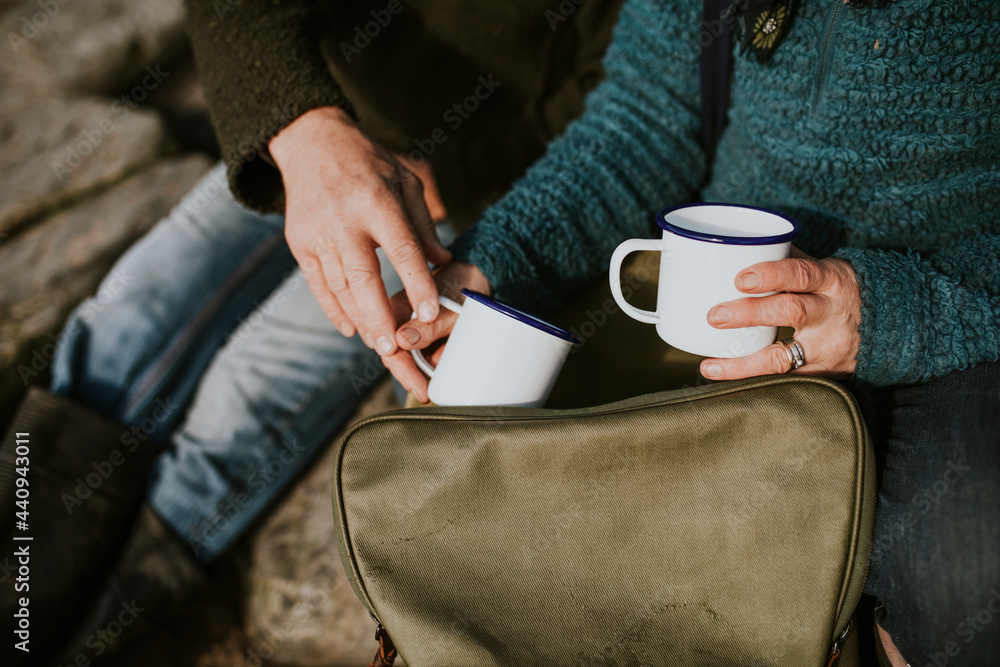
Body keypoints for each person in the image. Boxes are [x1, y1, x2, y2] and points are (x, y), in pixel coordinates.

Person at [0, 1, 626, 664]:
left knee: (242, 401)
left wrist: (449, 181)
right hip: (316, 127)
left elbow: (628, 97)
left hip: (474, 200)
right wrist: (303, 130)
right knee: (122, 326)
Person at [379, 1, 1000, 665]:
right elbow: (645, 121)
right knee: (483, 498)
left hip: (959, 303)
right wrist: (495, 263)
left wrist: (901, 310)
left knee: (965, 573)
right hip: (720, 309)